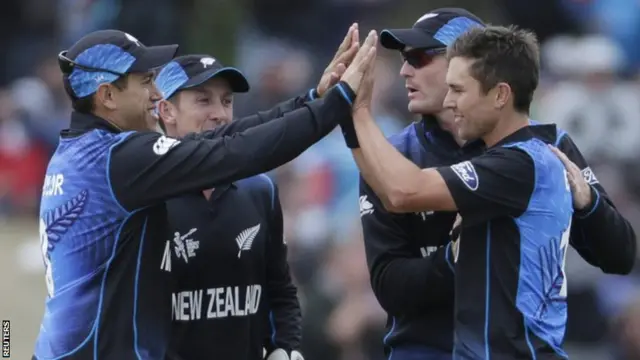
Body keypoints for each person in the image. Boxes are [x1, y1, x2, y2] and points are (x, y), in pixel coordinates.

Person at [34, 25, 370, 359]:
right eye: (145, 82)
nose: (155, 94)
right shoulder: (118, 160)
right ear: (107, 96)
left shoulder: (84, 152)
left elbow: (218, 141)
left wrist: (311, 101)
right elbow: (236, 153)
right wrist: (336, 104)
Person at [357, 8, 636, 359]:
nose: (404, 70)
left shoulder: (541, 150)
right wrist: (454, 260)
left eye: (419, 57)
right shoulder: (393, 157)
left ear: (474, 63)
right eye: (403, 59)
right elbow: (390, 288)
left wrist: (589, 204)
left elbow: (620, 254)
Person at [154, 54, 303, 360]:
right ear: (166, 110)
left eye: (226, 101)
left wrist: (284, 348)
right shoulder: (146, 196)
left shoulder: (259, 189)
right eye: (203, 101)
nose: (220, 114)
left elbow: (279, 287)